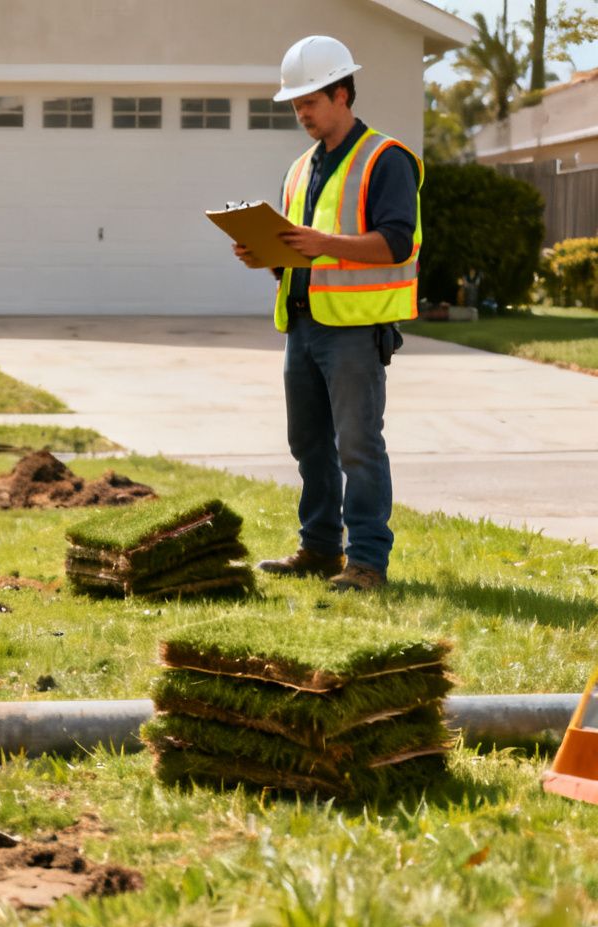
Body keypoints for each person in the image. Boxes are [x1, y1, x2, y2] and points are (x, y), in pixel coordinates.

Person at [234, 35, 421, 593]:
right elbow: (300, 251)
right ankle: (319, 549)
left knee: (358, 446)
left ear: (342, 93)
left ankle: (366, 561)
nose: (302, 114)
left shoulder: (386, 160)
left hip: (355, 331)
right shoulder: (298, 170)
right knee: (308, 443)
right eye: (295, 105)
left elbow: (396, 243)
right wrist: (264, 255)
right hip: (303, 324)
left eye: (310, 102)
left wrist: (323, 243)